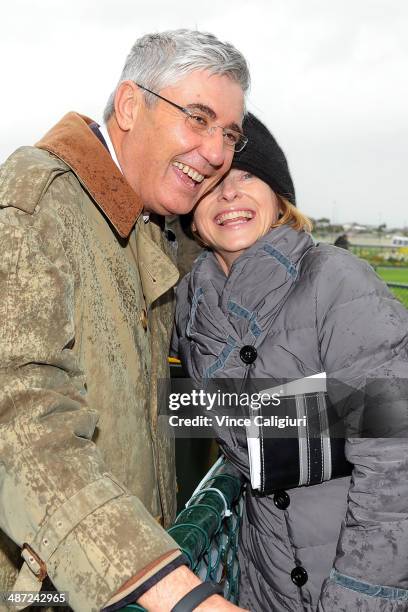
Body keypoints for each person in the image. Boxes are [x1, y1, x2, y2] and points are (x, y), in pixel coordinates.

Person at [0, 30, 250, 612]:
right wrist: (172, 591)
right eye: (198, 117)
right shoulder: (37, 202)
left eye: (229, 134)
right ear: (131, 106)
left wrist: (331, 419)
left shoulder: (145, 223)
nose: (216, 153)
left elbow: (153, 401)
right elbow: (20, 421)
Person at [172, 113, 408, 611]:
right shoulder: (190, 306)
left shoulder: (337, 281)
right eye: (211, 183)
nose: (230, 193)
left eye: (247, 176)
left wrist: (359, 596)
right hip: (266, 576)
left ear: (279, 198)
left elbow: (395, 452)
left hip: (360, 575)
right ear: (190, 214)